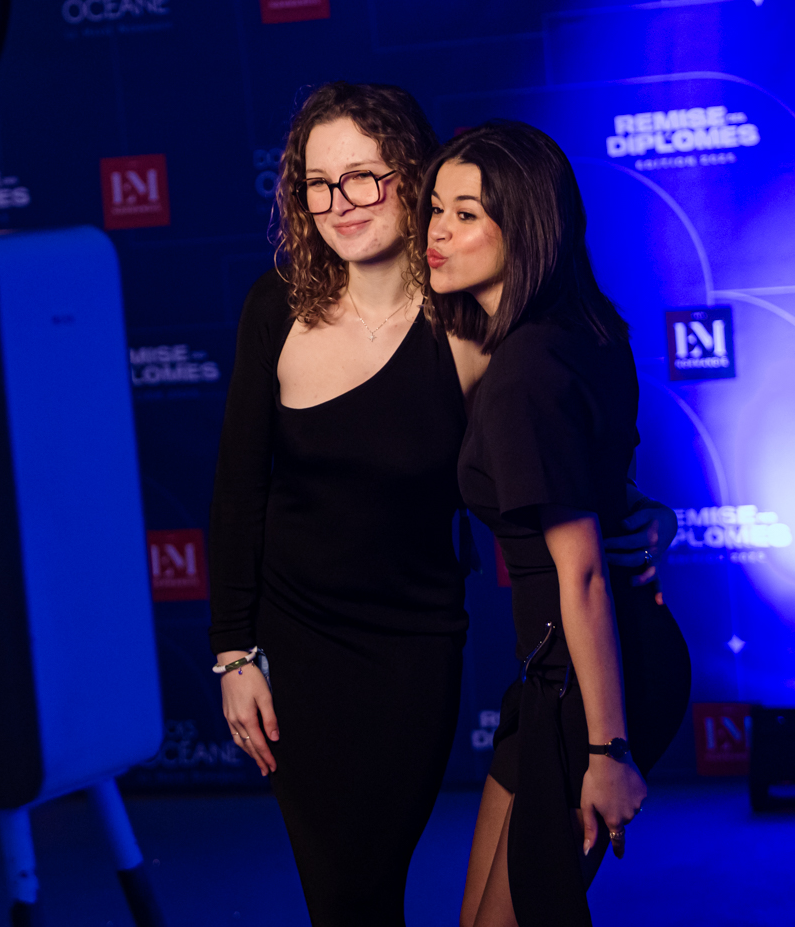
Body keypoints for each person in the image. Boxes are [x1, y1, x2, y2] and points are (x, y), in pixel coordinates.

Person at [208, 84, 676, 926]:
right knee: (342, 898)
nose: (340, 202)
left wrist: (641, 514)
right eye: (318, 184)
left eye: (363, 176)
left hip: (413, 652)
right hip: (297, 651)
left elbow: (564, 450)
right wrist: (233, 654)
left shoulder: (475, 327)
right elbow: (239, 491)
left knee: (384, 877)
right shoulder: (274, 309)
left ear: (409, 173)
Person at [425, 121, 691, 927]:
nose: (438, 231)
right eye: (435, 209)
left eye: (466, 214)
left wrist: (608, 752)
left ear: (526, 223)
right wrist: (653, 515)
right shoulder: (581, 330)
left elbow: (581, 572)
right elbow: (611, 484)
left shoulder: (525, 376)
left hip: (591, 683)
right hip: (557, 674)